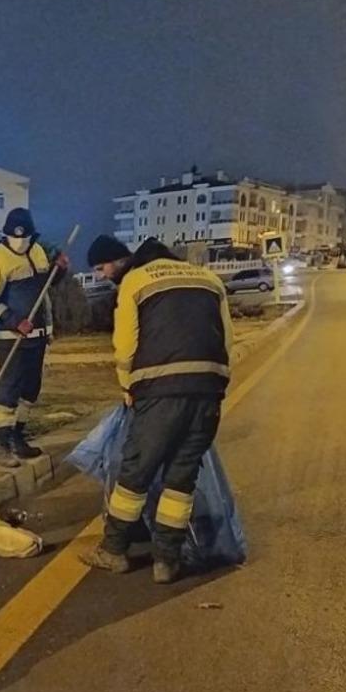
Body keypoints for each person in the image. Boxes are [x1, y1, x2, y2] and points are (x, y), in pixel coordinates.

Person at [80, 235, 232, 584]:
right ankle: (167, 561)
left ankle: (114, 550)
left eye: (102, 268)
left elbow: (125, 344)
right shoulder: (208, 279)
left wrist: (127, 386)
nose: (102, 276)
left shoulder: (135, 281)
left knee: (136, 473)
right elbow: (226, 338)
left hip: (161, 390)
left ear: (121, 261)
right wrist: (217, 383)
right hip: (208, 389)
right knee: (181, 477)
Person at [0, 207, 67, 467]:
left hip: (37, 337)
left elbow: (45, 286)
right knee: (10, 389)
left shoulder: (37, 252)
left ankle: (17, 437)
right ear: (6, 234)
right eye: (15, 237)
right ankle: (1, 444)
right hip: (11, 337)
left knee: (31, 389)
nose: (20, 242)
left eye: (24, 237)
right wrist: (14, 321)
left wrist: (58, 270)